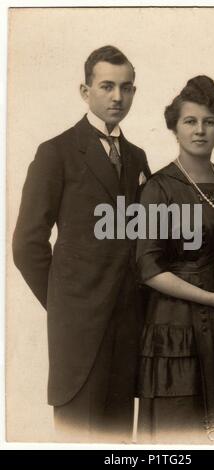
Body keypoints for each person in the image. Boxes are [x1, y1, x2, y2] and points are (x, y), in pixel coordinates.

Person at [12, 45, 151, 442]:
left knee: (120, 442)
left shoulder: (139, 157)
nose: (117, 97)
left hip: (126, 327)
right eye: (106, 86)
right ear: (84, 90)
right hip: (79, 331)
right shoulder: (55, 152)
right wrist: (65, 303)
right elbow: (27, 245)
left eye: (126, 88)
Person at [136, 75, 214, 443]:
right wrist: (211, 298)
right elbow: (148, 269)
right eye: (190, 121)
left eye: (209, 121)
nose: (200, 130)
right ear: (174, 127)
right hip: (177, 331)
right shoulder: (158, 189)